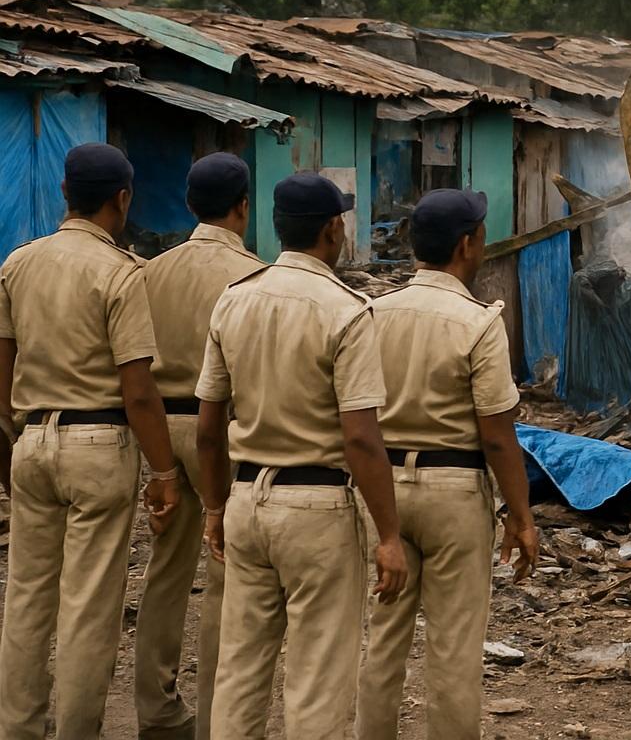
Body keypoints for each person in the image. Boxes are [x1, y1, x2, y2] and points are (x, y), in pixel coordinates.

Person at [194, 171, 406, 739]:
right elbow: (361, 438)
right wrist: (389, 535)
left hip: (245, 501)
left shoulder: (234, 301)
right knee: (316, 679)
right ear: (333, 229)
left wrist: (215, 508)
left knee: (239, 671)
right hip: (316, 510)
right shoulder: (346, 310)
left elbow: (209, 427)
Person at [0, 143, 181, 739]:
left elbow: (1, 373)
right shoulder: (120, 272)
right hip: (98, 443)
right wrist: (163, 472)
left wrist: (12, 445)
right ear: (122, 199)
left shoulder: (18, 263)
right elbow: (138, 391)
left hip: (31, 440)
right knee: (88, 606)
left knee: (26, 598)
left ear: (63, 194)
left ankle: (18, 729)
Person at [356, 188, 539, 739]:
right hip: (453, 493)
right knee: (454, 647)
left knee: (383, 637)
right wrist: (521, 515)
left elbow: (355, 419)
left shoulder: (370, 314)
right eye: (481, 234)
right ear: (467, 244)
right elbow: (499, 438)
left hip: (383, 489)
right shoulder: (479, 323)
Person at [137, 153, 264, 740]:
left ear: (190, 205)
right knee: (224, 574)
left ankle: (158, 711)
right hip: (224, 432)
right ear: (243, 205)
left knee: (165, 569)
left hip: (161, 428)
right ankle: (217, 719)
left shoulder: (149, 272)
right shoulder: (252, 276)